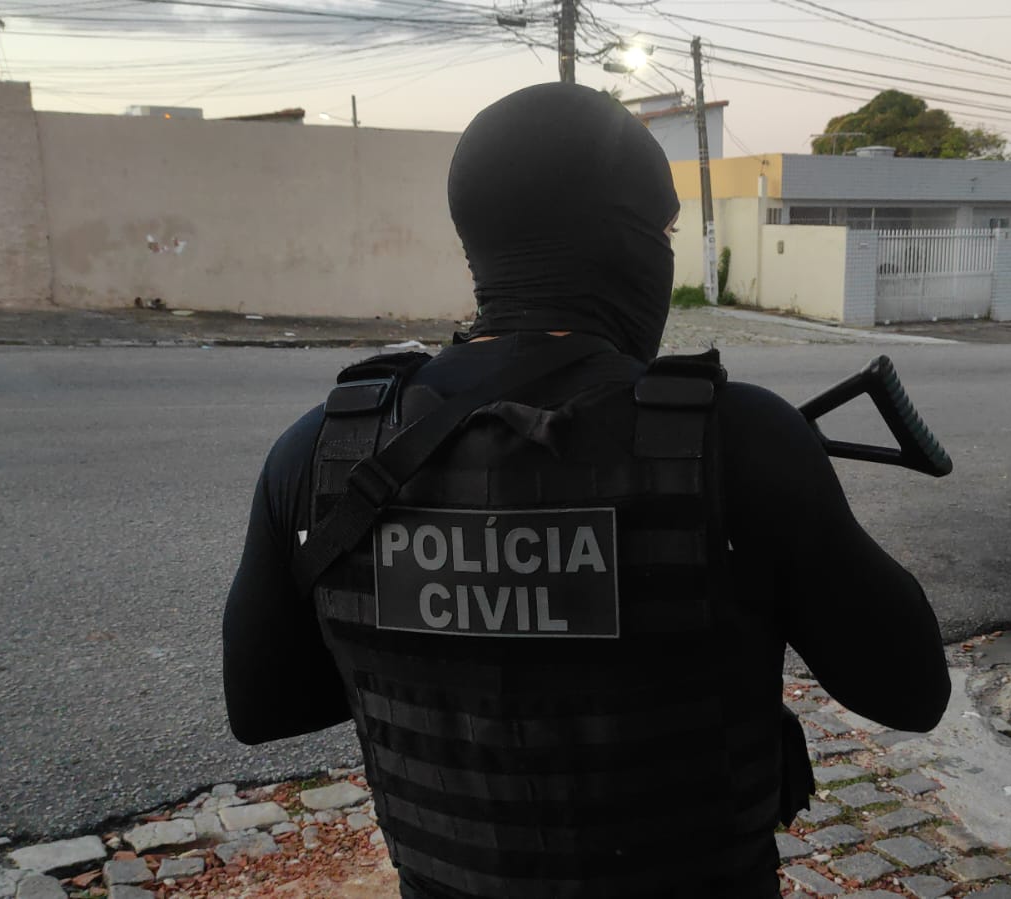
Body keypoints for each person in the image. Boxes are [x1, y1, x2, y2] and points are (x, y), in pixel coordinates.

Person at [222, 82, 950, 899]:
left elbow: (266, 704)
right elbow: (911, 692)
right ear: (630, 243)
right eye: (665, 233)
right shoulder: (739, 438)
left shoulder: (324, 447)